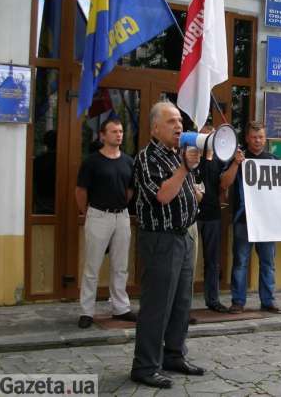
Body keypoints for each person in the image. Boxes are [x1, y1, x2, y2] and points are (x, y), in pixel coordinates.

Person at [130, 102, 204, 389]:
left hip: (183, 236)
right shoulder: (147, 158)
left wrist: (193, 194)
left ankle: (173, 355)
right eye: (171, 121)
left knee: (181, 303)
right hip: (160, 239)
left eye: (180, 121)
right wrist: (185, 169)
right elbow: (162, 196)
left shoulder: (177, 156)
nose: (179, 126)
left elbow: (185, 191)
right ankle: (144, 366)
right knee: (156, 305)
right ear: (155, 128)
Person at [75, 118, 135, 329]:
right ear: (102, 135)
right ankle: (86, 311)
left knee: (120, 266)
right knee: (92, 266)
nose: (119, 135)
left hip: (122, 216)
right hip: (98, 215)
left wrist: (118, 209)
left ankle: (121, 308)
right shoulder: (92, 162)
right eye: (113, 131)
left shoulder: (128, 161)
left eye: (120, 131)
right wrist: (89, 212)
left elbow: (129, 190)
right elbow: (81, 191)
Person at [221, 121, 281, 314]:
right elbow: (224, 184)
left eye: (261, 137)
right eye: (254, 137)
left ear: (265, 139)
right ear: (247, 138)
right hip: (244, 221)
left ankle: (268, 301)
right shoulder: (239, 159)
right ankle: (238, 302)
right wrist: (235, 163)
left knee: (268, 263)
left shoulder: (274, 161)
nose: (258, 140)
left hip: (267, 223)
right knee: (240, 262)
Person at [196, 124, 228, 313]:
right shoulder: (191, 157)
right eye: (205, 137)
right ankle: (182, 302)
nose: (208, 141)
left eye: (211, 137)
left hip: (213, 215)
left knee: (213, 261)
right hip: (192, 216)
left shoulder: (220, 160)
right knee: (187, 262)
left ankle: (213, 300)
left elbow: (223, 186)